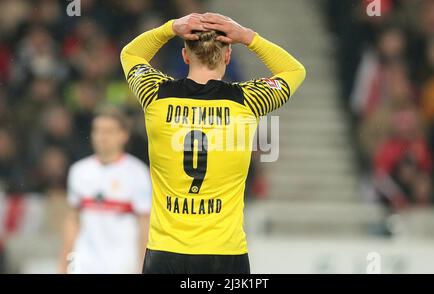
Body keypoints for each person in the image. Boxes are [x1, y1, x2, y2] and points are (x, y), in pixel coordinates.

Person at [120, 12, 306, 274]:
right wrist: (247, 37)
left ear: (185, 56)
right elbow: (294, 70)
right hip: (225, 254)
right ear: (228, 56)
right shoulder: (248, 101)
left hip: (166, 253)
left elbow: (130, 54)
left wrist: (171, 28)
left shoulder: (156, 95)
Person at [59, 106, 151, 274]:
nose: (102, 137)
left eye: (109, 131)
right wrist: (63, 266)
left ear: (124, 135)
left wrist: (143, 268)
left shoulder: (138, 174)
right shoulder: (79, 171)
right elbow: (72, 221)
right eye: (98, 130)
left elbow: (145, 226)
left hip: (123, 266)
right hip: (84, 264)